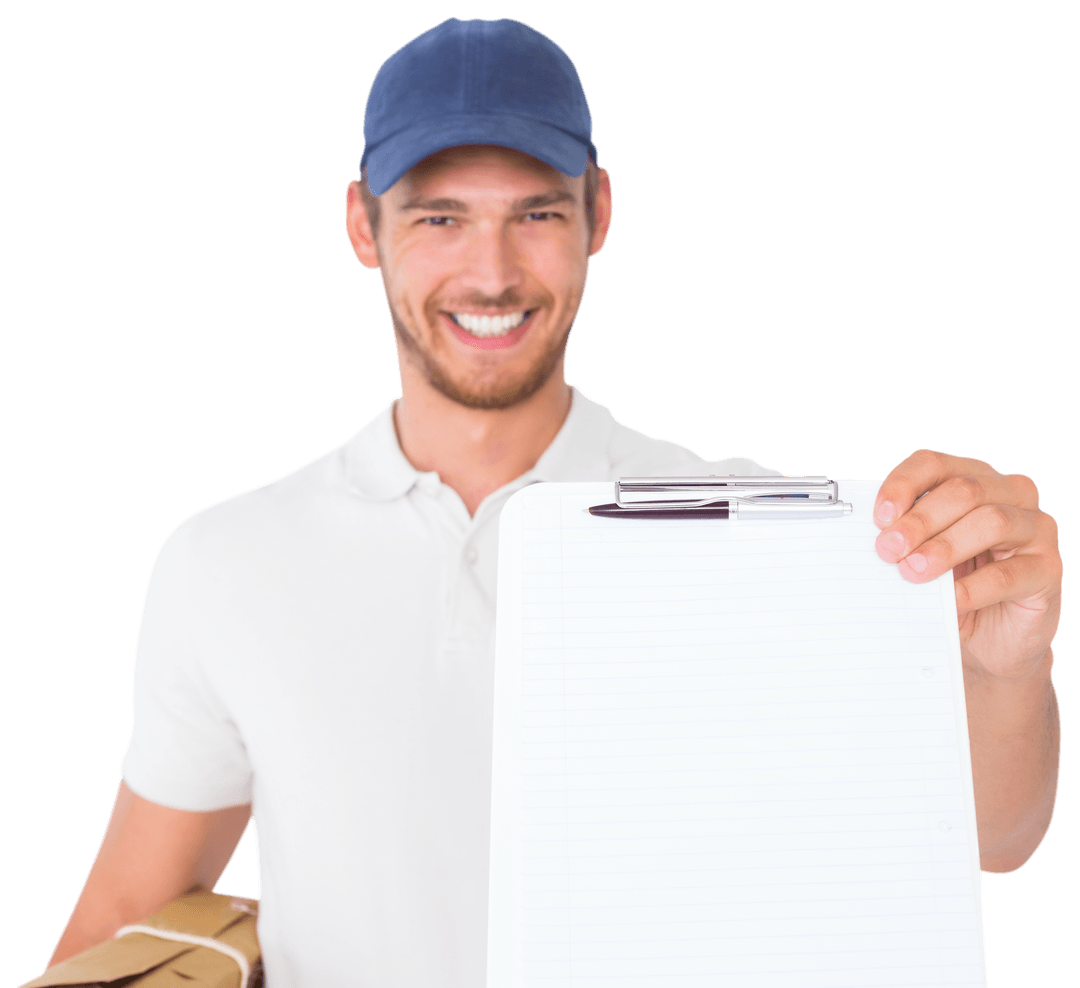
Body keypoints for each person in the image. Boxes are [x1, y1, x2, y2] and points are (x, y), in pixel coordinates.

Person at [42, 16, 1061, 988]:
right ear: (363, 223)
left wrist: (1004, 669)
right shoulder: (229, 561)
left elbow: (995, 838)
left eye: (534, 214)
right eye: (440, 217)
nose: (490, 272)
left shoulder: (753, 532)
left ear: (599, 215)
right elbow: (121, 927)